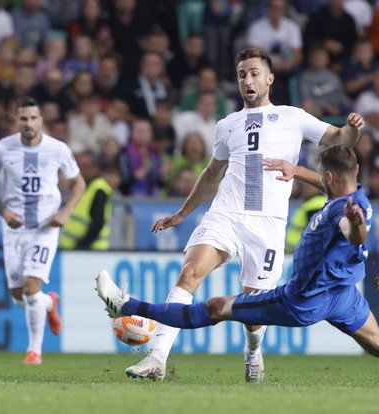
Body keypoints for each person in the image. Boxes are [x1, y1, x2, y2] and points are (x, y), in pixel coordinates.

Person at [96, 145, 379, 389]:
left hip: (302, 299)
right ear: (356, 172)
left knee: (218, 307)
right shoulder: (356, 194)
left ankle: (126, 305)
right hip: (344, 296)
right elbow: (340, 196)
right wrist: (302, 173)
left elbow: (352, 230)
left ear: (328, 175)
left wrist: (358, 228)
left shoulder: (341, 213)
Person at [122, 47, 364, 383]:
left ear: (269, 78)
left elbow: (341, 139)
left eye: (253, 73)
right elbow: (211, 173)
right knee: (190, 273)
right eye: (241, 75)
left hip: (267, 224)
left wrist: (354, 128)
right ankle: (157, 358)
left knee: (253, 312)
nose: (247, 80)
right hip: (227, 213)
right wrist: (182, 213)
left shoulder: (293, 117)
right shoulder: (227, 125)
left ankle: (252, 352)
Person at [0, 96, 85, 364]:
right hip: (14, 229)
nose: (28, 123)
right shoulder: (4, 149)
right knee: (20, 297)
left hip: (45, 226)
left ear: (41, 120)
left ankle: (34, 351)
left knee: (29, 289)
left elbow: (78, 183)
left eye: (33, 118)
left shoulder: (57, 149)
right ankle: (49, 302)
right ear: (17, 120)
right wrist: (3, 211)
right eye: (23, 118)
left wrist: (65, 212)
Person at [59, 151, 113, 250]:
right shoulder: (82, 186)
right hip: (71, 249)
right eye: (79, 166)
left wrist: (82, 246)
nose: (81, 170)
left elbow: (97, 224)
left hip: (90, 251)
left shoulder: (99, 189)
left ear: (95, 167)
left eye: (86, 166)